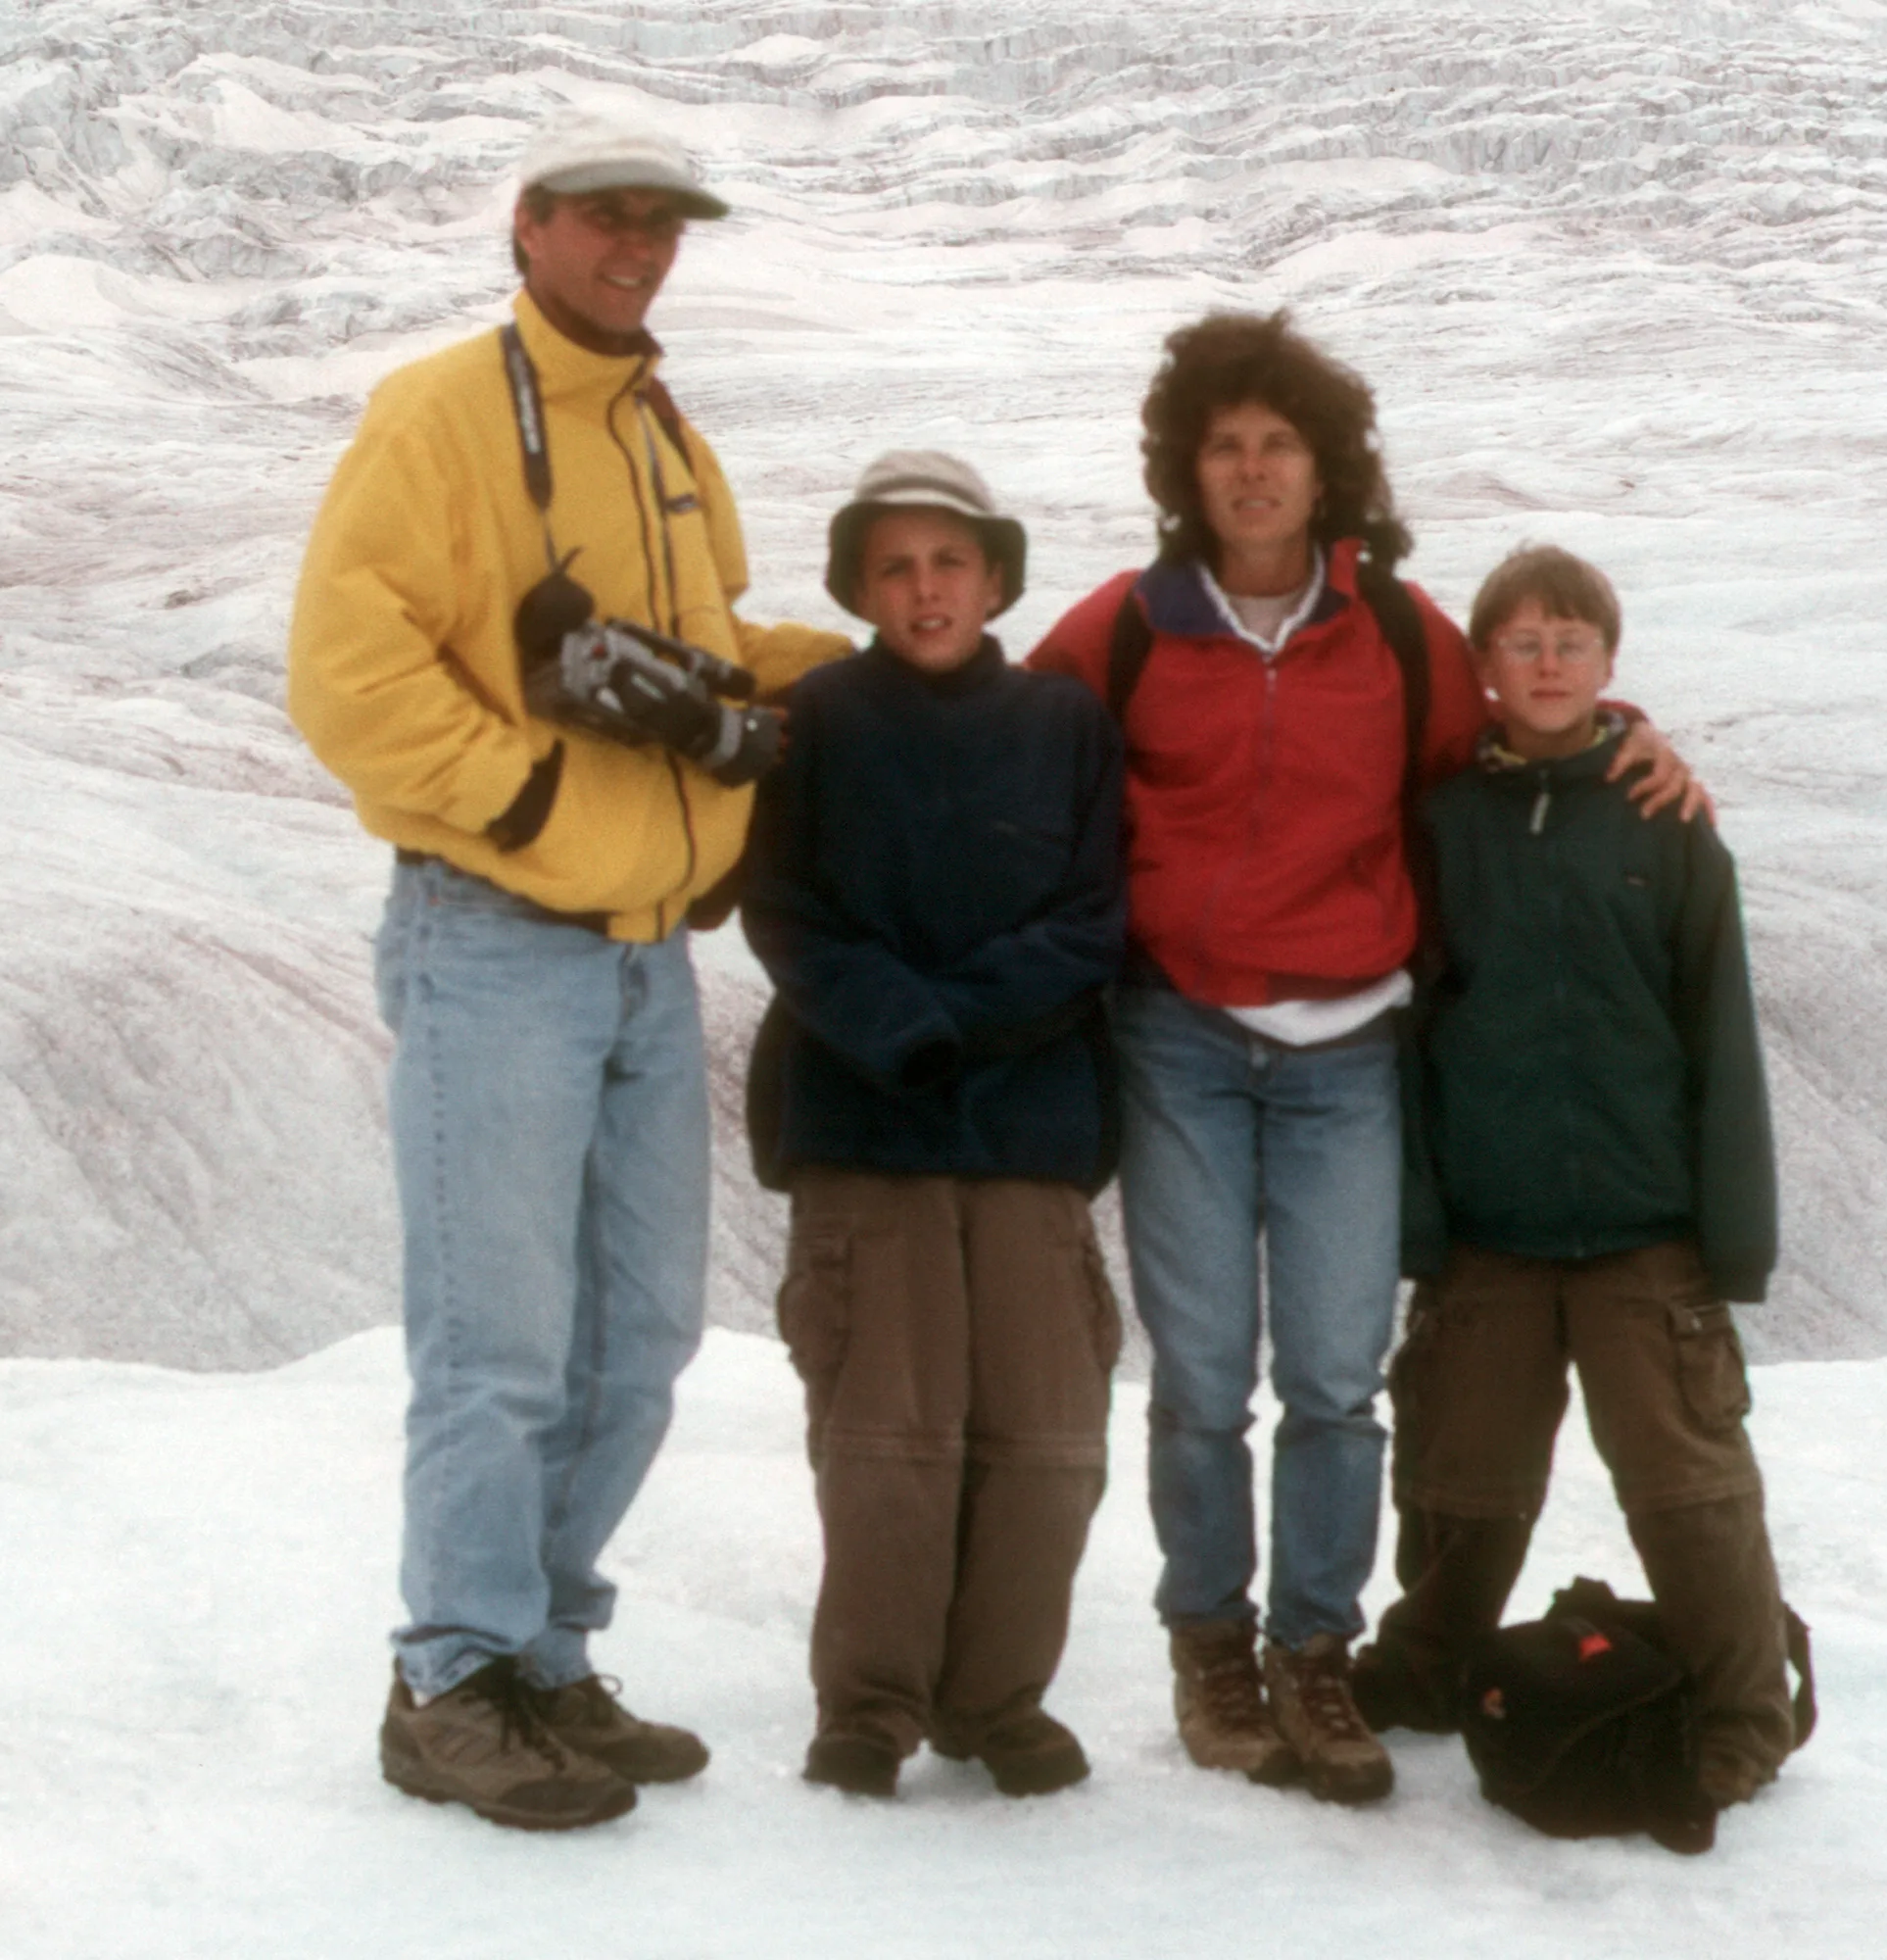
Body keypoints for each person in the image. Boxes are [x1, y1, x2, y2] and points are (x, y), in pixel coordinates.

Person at [1028, 312, 1702, 1806]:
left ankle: (1314, 1655)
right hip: (1181, 1039)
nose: (1256, 470)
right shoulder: (1126, 628)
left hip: (1347, 1050)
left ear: (1327, 468)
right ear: (1187, 469)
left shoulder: (1395, 636)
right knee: (1204, 1381)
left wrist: (1640, 733)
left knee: (1336, 1380)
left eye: (1282, 444)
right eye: (1228, 445)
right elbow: (1000, 742)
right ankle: (1212, 1641)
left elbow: (1537, 721)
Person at [286, 106, 847, 1832]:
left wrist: (898, 675)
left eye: (660, 227)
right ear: (528, 227)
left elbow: (715, 641)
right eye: (605, 221)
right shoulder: (441, 416)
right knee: (500, 1345)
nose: (635, 250)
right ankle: (449, 1674)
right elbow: (347, 671)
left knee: (637, 1345)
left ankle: (544, 1652)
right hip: (496, 945)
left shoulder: (661, 427)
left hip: (642, 970)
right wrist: (533, 801)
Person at [1350, 544, 1797, 1830]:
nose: (1547, 663)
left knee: (1687, 1483)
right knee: (1461, 1470)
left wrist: (1732, 1238)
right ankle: (1424, 1672)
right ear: (1483, 666)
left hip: (1644, 1229)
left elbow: (1722, 1031)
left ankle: (1741, 1718)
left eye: (1572, 641)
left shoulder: (1666, 823)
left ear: (1610, 662)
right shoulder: (1442, 825)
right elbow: (1414, 1029)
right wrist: (1423, 1222)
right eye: (1522, 641)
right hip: (1490, 1230)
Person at [742, 452, 1128, 1802]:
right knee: (887, 1435)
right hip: (868, 1111)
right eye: (897, 566)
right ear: (860, 584)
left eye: (948, 561)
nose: (925, 588)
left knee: (1044, 1432)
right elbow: (784, 909)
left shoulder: (1064, 727)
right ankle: (872, 1707)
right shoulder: (817, 718)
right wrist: (903, 1027)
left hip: (1029, 1122)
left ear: (997, 575)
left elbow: (1092, 919)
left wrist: (961, 1016)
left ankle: (997, 1700)